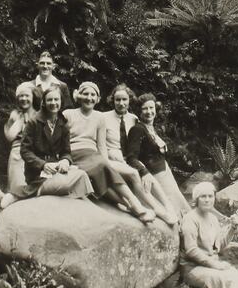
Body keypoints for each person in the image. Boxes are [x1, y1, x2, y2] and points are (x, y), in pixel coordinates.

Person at [65, 82, 157, 222]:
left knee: (104, 168)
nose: (89, 98)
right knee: (98, 170)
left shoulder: (99, 117)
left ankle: (135, 205)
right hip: (73, 154)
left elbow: (101, 146)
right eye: (85, 94)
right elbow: (59, 141)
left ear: (97, 98)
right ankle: (133, 206)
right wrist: (65, 160)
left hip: (92, 154)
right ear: (78, 95)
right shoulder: (68, 114)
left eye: (92, 95)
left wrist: (106, 163)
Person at [104, 84, 174, 222]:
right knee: (137, 173)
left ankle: (168, 206)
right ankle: (157, 209)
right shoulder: (103, 118)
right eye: (117, 100)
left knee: (147, 175)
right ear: (113, 100)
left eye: (124, 99)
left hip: (129, 158)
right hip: (113, 157)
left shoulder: (134, 118)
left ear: (130, 100)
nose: (121, 103)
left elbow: (138, 145)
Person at [19, 90, 94, 199]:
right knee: (74, 181)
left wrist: (65, 161)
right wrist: (43, 164)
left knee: (81, 175)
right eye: (49, 100)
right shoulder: (34, 122)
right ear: (44, 102)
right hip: (37, 173)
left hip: (55, 169)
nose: (53, 103)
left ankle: (57, 192)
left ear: (61, 101)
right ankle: (37, 190)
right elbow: (25, 151)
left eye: (56, 99)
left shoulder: (63, 123)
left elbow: (66, 152)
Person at [125, 94, 191, 216]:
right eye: (145, 108)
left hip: (165, 172)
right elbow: (131, 158)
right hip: (154, 175)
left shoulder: (151, 128)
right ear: (139, 111)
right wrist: (144, 173)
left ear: (155, 109)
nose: (149, 112)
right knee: (171, 206)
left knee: (179, 203)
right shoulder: (137, 129)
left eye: (151, 108)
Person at [3, 82, 37, 202]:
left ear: (33, 97)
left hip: (34, 154)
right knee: (16, 189)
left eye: (27, 95)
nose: (24, 99)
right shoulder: (16, 115)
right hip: (17, 153)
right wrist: (13, 121)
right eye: (21, 96)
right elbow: (10, 137)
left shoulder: (39, 115)